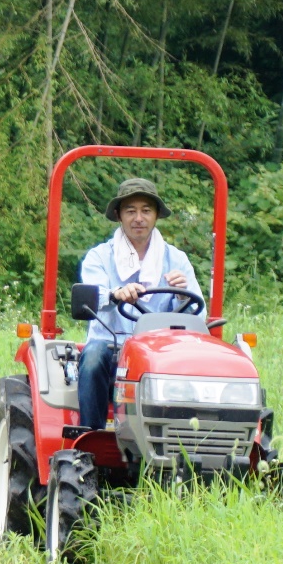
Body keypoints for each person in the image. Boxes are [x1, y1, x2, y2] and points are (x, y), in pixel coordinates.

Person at [77, 177, 203, 430]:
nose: (139, 218)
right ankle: (89, 439)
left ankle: (181, 441)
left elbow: (198, 318)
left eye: (146, 210)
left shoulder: (176, 259)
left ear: (156, 216)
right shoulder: (99, 257)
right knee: (92, 357)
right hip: (112, 349)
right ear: (118, 215)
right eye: (130, 210)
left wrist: (182, 295)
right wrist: (115, 294)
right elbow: (92, 296)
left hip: (162, 352)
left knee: (199, 365)